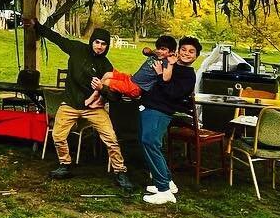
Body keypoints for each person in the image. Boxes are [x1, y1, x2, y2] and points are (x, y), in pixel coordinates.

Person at [35, 19, 136, 194]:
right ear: (92, 41)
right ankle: (65, 164)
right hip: (71, 103)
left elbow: (115, 96)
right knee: (58, 135)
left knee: (111, 139)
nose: (99, 46)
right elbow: (56, 37)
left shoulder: (106, 66)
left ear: (107, 46)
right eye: (97, 42)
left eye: (104, 44)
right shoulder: (76, 49)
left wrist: (101, 88)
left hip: (95, 109)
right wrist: (37, 26)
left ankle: (120, 172)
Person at [131, 35, 202, 206]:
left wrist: (161, 75)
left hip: (160, 111)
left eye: (191, 51)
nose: (186, 53)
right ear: (178, 51)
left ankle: (164, 191)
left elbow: (172, 93)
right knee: (149, 143)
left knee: (150, 142)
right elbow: (152, 55)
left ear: (196, 56)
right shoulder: (171, 64)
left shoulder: (188, 76)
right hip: (148, 106)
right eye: (183, 49)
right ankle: (167, 181)